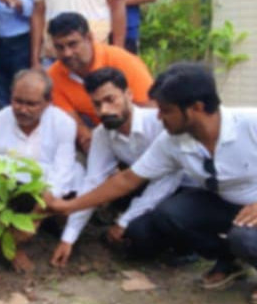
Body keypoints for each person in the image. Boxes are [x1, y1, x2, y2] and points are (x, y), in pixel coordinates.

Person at [47, 63, 257, 304]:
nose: (159, 117)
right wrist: (68, 206)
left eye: (166, 110)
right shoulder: (174, 140)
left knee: (246, 238)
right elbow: (127, 180)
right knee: (168, 215)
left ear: (195, 108)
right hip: (227, 203)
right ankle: (229, 260)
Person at [51, 68, 183, 269]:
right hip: (144, 186)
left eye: (110, 99)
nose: (104, 110)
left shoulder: (157, 124)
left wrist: (126, 220)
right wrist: (68, 238)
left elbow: (169, 179)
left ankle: (186, 248)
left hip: (183, 186)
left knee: (146, 226)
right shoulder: (103, 135)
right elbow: (93, 183)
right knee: (135, 234)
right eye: (96, 104)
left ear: (128, 95)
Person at [0, 69, 81, 272]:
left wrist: (34, 220)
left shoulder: (63, 123)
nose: (22, 109)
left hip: (46, 194)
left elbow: (62, 172)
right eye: (17, 101)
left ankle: (51, 226)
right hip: (7, 195)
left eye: (31, 104)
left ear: (48, 102)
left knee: (73, 190)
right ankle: (5, 244)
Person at [46, 12, 154, 152]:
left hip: (140, 136)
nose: (67, 53)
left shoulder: (123, 61)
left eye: (73, 44)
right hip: (100, 138)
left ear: (89, 38)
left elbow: (151, 111)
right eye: (59, 47)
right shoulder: (53, 76)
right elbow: (75, 127)